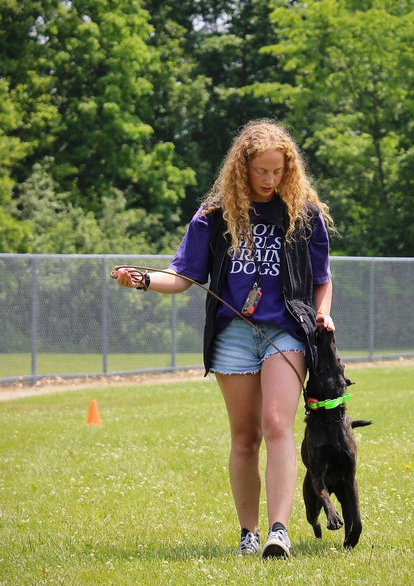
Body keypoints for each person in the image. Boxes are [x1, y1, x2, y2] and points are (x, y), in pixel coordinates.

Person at [111, 118, 336, 559]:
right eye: (262, 172)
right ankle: (248, 534)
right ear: (243, 168)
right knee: (245, 436)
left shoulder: (303, 214)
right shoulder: (215, 215)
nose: (271, 180)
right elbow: (181, 277)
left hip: (286, 331)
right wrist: (141, 279)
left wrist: (323, 316)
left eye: (278, 172)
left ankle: (278, 531)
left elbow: (323, 279)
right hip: (233, 334)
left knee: (276, 425)